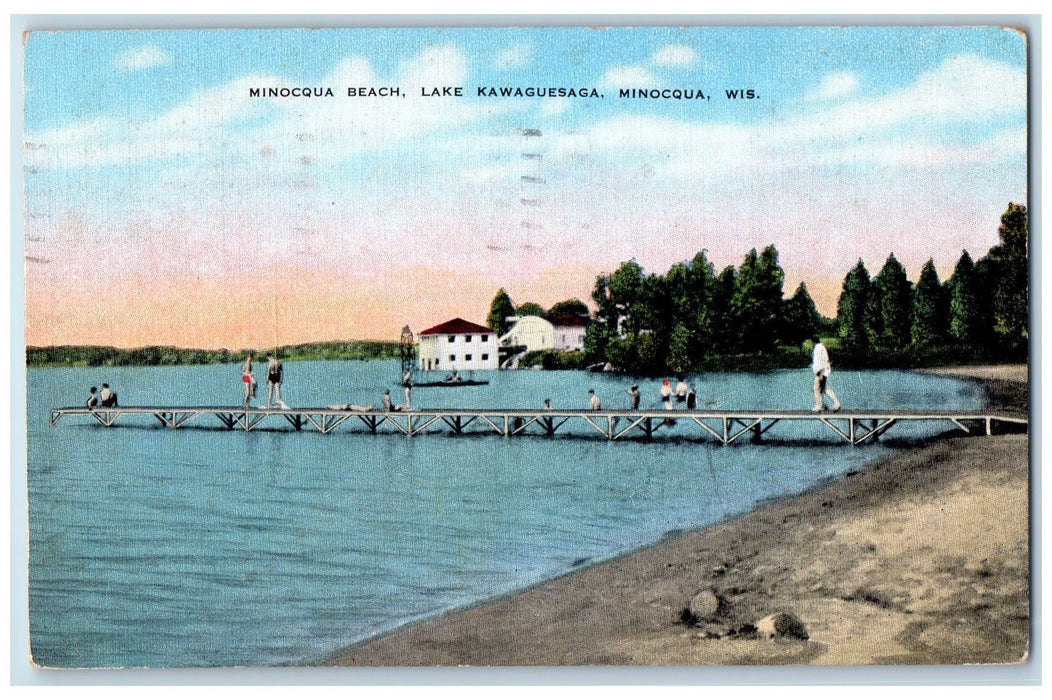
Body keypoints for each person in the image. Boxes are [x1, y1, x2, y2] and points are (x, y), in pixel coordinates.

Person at [811, 338, 841, 413]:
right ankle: (836, 403)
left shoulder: (818, 348)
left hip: (821, 372)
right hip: (823, 371)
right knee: (824, 388)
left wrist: (820, 373)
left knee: (816, 388)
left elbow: (820, 362)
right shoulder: (821, 347)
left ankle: (818, 406)